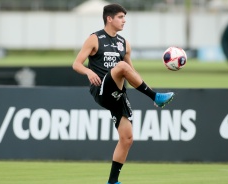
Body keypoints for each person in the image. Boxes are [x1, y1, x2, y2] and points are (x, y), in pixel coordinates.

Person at [72, 3, 174, 184]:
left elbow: (132, 73)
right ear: (109, 18)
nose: (124, 20)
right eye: (120, 17)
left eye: (124, 17)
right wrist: (88, 72)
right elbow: (77, 64)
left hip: (118, 93)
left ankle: (112, 181)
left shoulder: (124, 43)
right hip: (101, 88)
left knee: (127, 139)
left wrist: (147, 87)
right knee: (121, 66)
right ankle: (156, 98)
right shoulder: (94, 39)